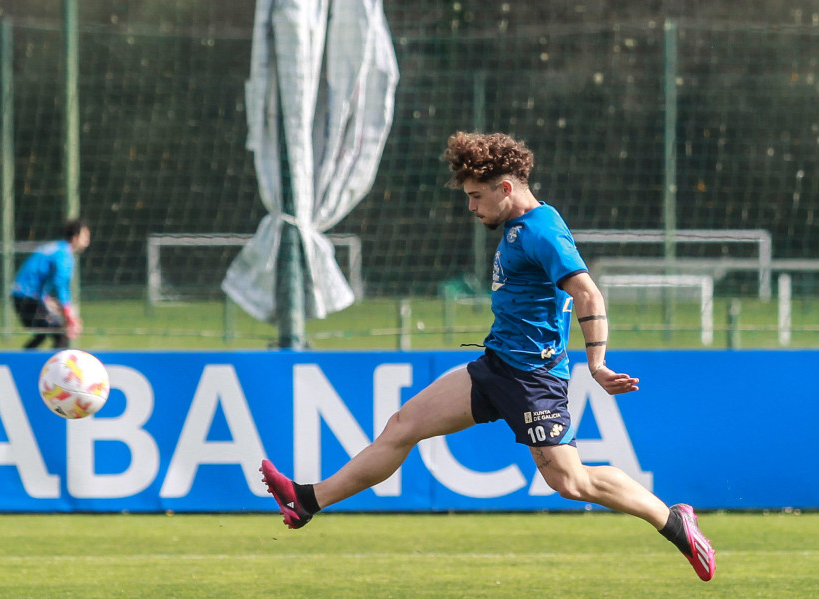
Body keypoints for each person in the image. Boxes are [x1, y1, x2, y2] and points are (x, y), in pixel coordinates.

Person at [260, 131, 716, 581]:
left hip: (534, 379)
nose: (472, 207)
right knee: (402, 427)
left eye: (477, 197)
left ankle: (675, 522)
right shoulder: (519, 229)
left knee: (571, 482)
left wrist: (596, 364)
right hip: (496, 367)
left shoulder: (542, 230)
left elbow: (588, 294)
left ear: (506, 188)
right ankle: (307, 500)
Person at [11, 218, 89, 350]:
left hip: (23, 295)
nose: (87, 242)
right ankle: (55, 367)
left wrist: (47, 300)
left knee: (43, 333)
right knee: (60, 334)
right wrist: (69, 314)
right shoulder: (64, 255)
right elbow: (60, 285)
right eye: (85, 237)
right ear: (75, 238)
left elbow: (36, 275)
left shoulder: (55, 247)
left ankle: (23, 361)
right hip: (28, 298)